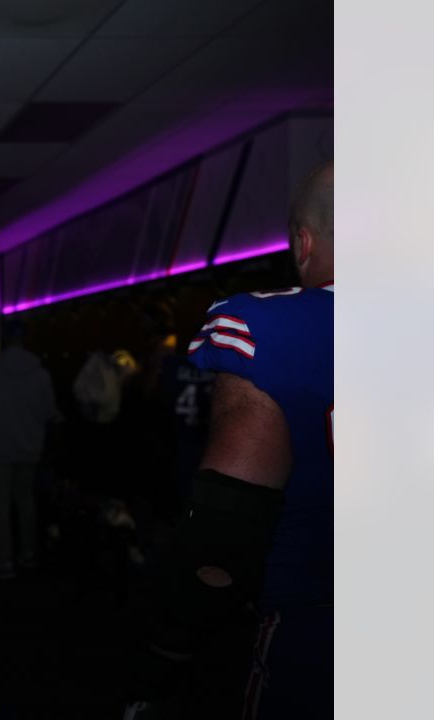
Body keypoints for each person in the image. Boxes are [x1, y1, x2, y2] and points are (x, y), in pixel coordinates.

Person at [129, 161, 333, 718]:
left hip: (322, 618)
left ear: (303, 243)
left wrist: (164, 659)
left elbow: (226, 530)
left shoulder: (272, 328)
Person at [0, 318, 58, 579]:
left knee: (0, 504)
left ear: (4, 339)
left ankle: (5, 560)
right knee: (26, 500)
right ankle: (29, 553)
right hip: (28, 446)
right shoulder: (40, 373)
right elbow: (48, 411)